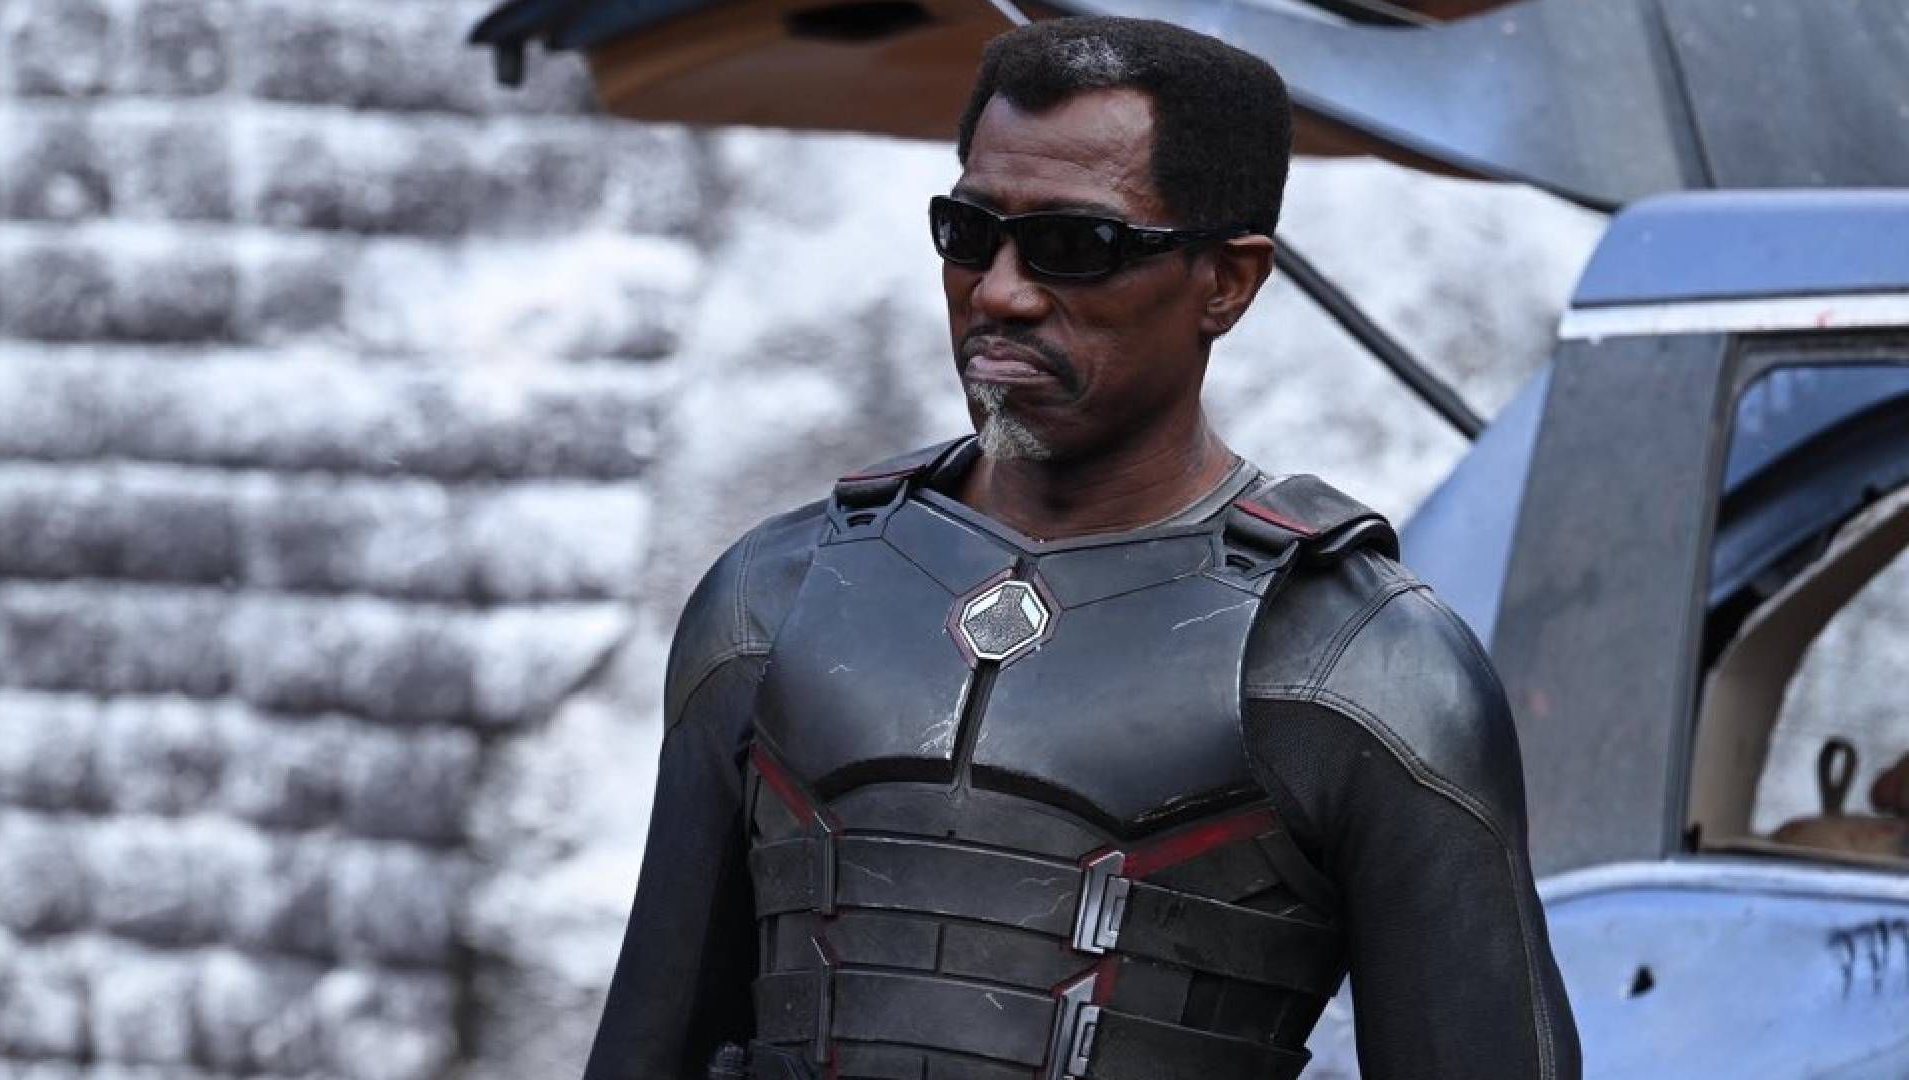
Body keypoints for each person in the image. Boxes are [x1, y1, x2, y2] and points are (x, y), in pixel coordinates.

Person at [584, 16, 1580, 1080]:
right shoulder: (771, 601)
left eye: (1076, 246)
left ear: (1227, 282)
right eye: (969, 234)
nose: (1000, 293)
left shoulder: (1361, 667)